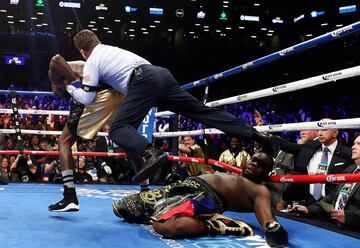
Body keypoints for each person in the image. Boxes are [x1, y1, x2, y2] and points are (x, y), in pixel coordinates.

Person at [62, 29, 277, 185]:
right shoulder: (111, 50)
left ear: (82, 51)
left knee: (118, 129)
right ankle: (256, 135)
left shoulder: (92, 61)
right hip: (161, 75)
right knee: (202, 112)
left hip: (143, 82)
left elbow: (88, 99)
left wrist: (70, 88)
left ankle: (152, 153)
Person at [112, 151, 288, 248]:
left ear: (266, 172)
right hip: (184, 186)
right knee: (122, 208)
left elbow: (268, 217)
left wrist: (272, 228)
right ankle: (161, 209)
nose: (254, 164)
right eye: (253, 160)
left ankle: (215, 225)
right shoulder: (235, 174)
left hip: (203, 196)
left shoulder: (259, 189)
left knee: (164, 226)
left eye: (261, 165)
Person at [47, 55, 126, 212]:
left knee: (64, 141)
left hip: (96, 97)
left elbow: (56, 60)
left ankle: (70, 196)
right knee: (125, 136)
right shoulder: (94, 65)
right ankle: (146, 192)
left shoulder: (66, 67)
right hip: (119, 94)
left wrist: (66, 85)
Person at [290, 135, 360, 230]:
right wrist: (309, 209)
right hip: (335, 226)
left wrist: (350, 218)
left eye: (358, 144)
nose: (353, 146)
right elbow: (332, 196)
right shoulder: (349, 170)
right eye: (354, 143)